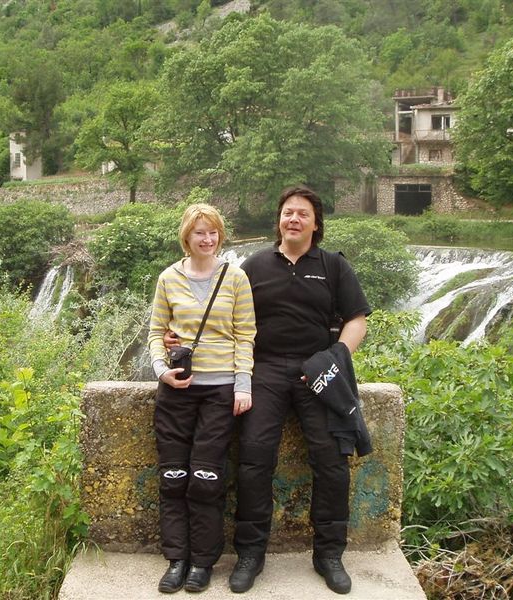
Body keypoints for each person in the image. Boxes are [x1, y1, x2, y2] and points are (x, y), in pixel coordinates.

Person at [167, 185, 371, 594]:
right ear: (279, 220)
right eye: (287, 212)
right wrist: (179, 336)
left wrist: (336, 356)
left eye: (302, 214)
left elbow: (357, 319)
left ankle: (329, 554)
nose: (293, 219)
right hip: (265, 370)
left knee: (331, 462)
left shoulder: (333, 266)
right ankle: (250, 554)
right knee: (254, 461)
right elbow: (223, 316)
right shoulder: (254, 266)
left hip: (317, 371)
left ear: (316, 224)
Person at [148, 203, 256, 594]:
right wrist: (161, 370)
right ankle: (176, 559)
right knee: (173, 477)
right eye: (199, 232)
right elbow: (156, 332)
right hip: (177, 390)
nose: (207, 239)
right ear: (187, 237)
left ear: (220, 236)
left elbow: (245, 335)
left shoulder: (236, 277)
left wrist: (242, 383)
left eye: (212, 232)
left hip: (219, 391)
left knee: (206, 478)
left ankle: (202, 562)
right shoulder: (168, 278)